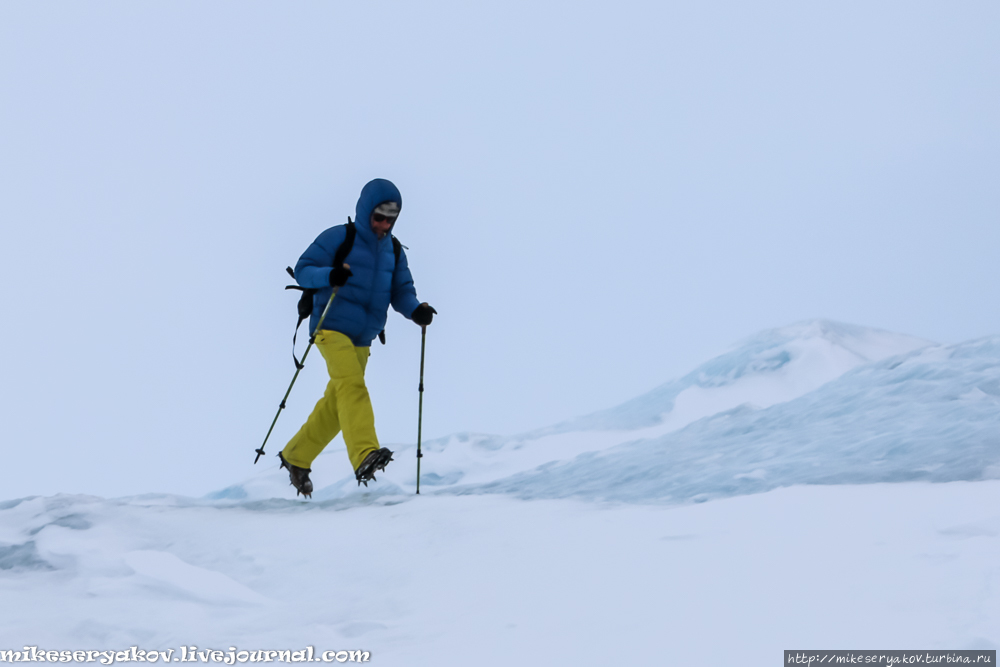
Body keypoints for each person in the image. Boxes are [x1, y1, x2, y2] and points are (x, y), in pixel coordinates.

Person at [278, 178, 436, 497]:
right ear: (366, 211)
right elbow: (305, 267)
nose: (384, 223)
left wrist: (415, 310)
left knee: (337, 403)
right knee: (352, 387)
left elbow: (401, 291)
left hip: (362, 339)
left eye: (390, 218)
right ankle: (365, 454)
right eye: (379, 216)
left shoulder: (393, 251)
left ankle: (296, 456)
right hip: (330, 327)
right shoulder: (340, 238)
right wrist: (330, 275)